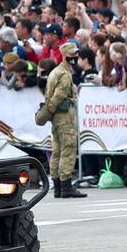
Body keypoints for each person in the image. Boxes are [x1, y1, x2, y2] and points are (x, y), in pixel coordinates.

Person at [42, 40, 87, 198]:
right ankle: (66, 186)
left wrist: (49, 113)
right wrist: (51, 110)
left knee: (57, 151)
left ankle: (58, 187)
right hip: (64, 116)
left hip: (56, 118)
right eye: (73, 54)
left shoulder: (55, 72)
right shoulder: (65, 74)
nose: (75, 56)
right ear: (66, 55)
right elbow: (58, 96)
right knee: (67, 150)